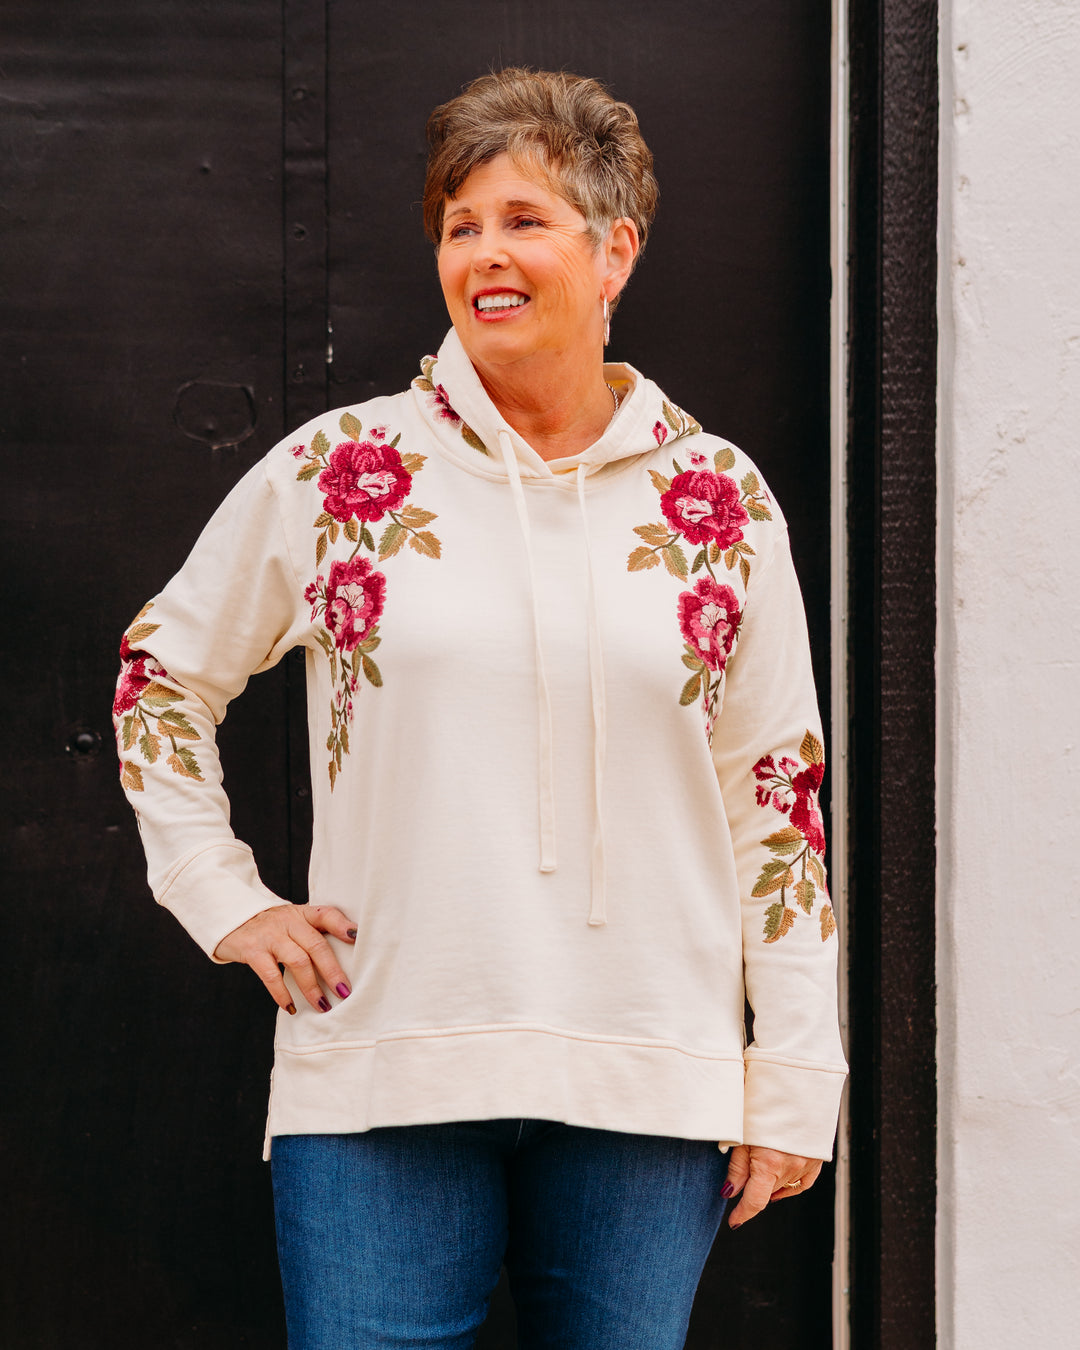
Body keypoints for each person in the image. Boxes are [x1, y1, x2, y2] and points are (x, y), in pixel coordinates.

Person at [114, 68, 847, 1349]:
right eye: (460, 226)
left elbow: (777, 798)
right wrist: (221, 895)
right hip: (386, 1067)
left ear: (615, 252)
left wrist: (793, 1070)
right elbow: (160, 672)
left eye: (523, 220)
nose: (484, 254)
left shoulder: (721, 501)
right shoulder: (345, 471)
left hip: (646, 1079)